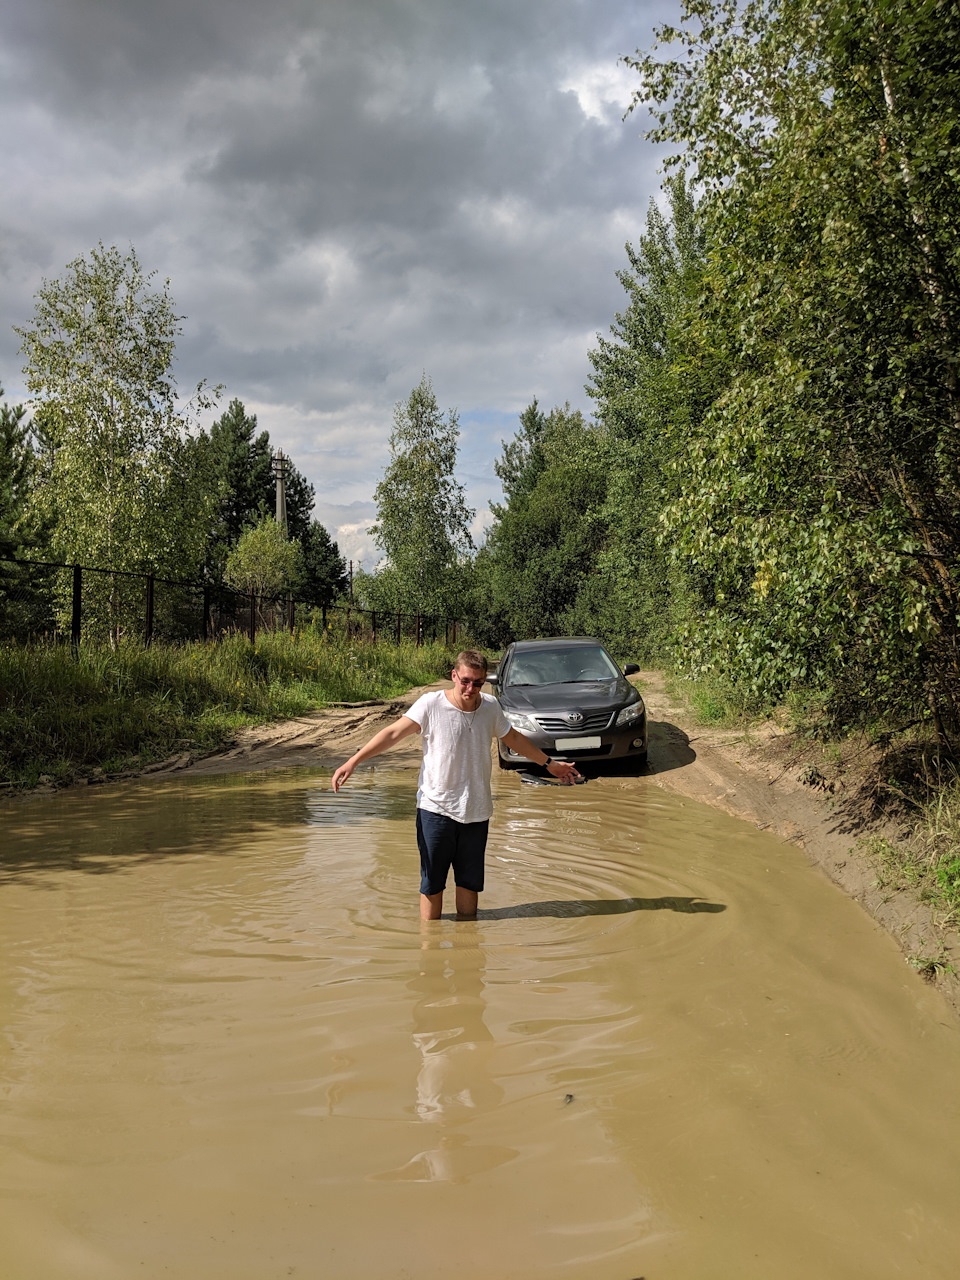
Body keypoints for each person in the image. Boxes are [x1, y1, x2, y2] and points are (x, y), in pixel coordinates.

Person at [331, 649, 581, 920]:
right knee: (432, 885)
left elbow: (515, 739)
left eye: (477, 682)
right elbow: (392, 733)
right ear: (454, 676)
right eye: (465, 680)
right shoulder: (431, 704)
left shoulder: (490, 707)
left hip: (476, 811)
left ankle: (468, 950)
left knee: (469, 884)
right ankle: (430, 950)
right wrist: (354, 761)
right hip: (435, 810)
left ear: (485, 680)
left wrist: (549, 764)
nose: (470, 688)